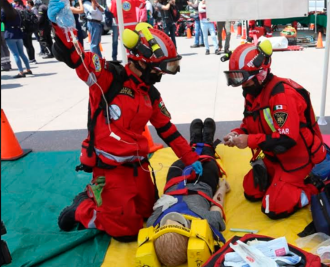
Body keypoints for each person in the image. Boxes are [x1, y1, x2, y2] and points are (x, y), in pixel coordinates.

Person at [49, 0, 203, 241]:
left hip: (138, 167)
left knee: (149, 215)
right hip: (110, 170)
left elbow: (167, 129)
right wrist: (63, 26)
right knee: (127, 231)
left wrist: (190, 158)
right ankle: (82, 209)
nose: (162, 73)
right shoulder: (108, 79)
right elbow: (76, 58)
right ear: (140, 60)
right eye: (159, 68)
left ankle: (99, 199)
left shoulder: (149, 93)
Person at [223, 40, 327, 219]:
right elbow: (249, 124)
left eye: (245, 81)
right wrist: (237, 134)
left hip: (296, 158)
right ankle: (280, 183)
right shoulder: (253, 92)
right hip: (274, 157)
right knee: (251, 190)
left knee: (273, 208)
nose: (242, 86)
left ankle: (311, 188)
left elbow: (285, 140)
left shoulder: (281, 95)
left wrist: (249, 141)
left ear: (260, 73)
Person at [147, 118, 229, 267]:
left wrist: (222, 188)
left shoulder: (152, 224)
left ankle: (197, 142)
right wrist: (223, 187)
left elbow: (217, 202)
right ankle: (204, 142)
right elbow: (217, 202)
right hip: (189, 178)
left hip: (188, 179)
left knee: (202, 159)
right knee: (205, 156)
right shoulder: (205, 223)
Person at [1, 0, 32, 78]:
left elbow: (1, 22)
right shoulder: (15, 11)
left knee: (15, 54)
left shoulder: (3, 12)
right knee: (22, 53)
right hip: (18, 32)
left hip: (9, 33)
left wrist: (2, 29)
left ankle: (21, 72)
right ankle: (28, 69)